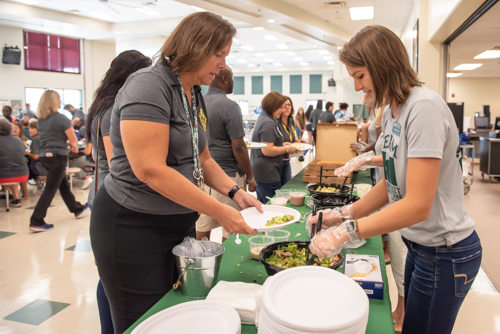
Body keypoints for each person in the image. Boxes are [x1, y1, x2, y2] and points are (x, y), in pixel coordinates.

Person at [89, 13, 262, 333]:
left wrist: (236, 194)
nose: (223, 64)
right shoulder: (148, 86)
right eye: (219, 54)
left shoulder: (192, 92)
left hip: (174, 222)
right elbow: (150, 171)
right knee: (144, 321)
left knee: (175, 313)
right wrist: (218, 211)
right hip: (132, 226)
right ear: (195, 47)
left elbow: (204, 159)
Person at [308, 25, 481, 334]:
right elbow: (392, 184)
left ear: (383, 64)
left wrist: (346, 231)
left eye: (360, 75)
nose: (358, 87)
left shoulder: (423, 109)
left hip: (445, 250)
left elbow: (416, 205)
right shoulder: (393, 110)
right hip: (420, 245)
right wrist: (343, 213)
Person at [85, 49, 152, 334]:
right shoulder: (114, 107)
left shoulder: (101, 104)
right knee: (111, 277)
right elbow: (117, 164)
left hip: (99, 193)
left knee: (109, 275)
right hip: (111, 197)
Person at [196, 67, 258, 242]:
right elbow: (238, 146)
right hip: (227, 176)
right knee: (231, 228)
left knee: (203, 224)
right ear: (223, 78)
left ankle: (201, 263)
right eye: (232, 79)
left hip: (202, 175)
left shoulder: (197, 103)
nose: (232, 83)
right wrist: (250, 177)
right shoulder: (230, 106)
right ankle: (226, 266)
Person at [29, 90, 88, 232]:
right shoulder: (61, 118)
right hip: (57, 157)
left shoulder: (41, 120)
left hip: (45, 157)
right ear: (54, 101)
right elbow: (74, 139)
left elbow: (51, 138)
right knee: (50, 189)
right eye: (59, 99)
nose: (61, 102)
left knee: (63, 185)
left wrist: (66, 144)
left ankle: (77, 208)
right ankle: (36, 220)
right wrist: (73, 145)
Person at [251, 92, 298, 203]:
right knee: (272, 204)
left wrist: (281, 145)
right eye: (280, 107)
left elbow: (269, 144)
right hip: (267, 172)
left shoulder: (267, 120)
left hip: (266, 171)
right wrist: (287, 149)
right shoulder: (268, 123)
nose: (282, 110)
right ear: (272, 106)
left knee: (263, 203)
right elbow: (267, 150)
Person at [0, 118, 29, 208]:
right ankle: (16, 199)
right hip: (23, 174)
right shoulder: (19, 140)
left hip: (5, 176)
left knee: (9, 169)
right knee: (11, 167)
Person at [278, 97, 305, 186]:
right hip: (276, 161)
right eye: (284, 105)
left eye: (289, 105)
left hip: (286, 159)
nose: (287, 107)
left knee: (287, 187)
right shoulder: (275, 121)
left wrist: (297, 141)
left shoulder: (290, 120)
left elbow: (292, 136)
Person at [11, 121, 30, 200]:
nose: (14, 130)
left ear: (20, 130)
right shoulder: (8, 140)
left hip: (24, 162)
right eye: (12, 128)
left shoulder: (25, 140)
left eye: (16, 128)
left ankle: (25, 194)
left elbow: (28, 152)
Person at [25, 121, 46, 190]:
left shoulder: (35, 139)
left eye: (31, 128)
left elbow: (35, 156)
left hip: (39, 168)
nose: (29, 130)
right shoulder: (44, 137)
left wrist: (27, 153)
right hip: (46, 166)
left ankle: (23, 193)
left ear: (36, 128)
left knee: (21, 169)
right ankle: (38, 185)